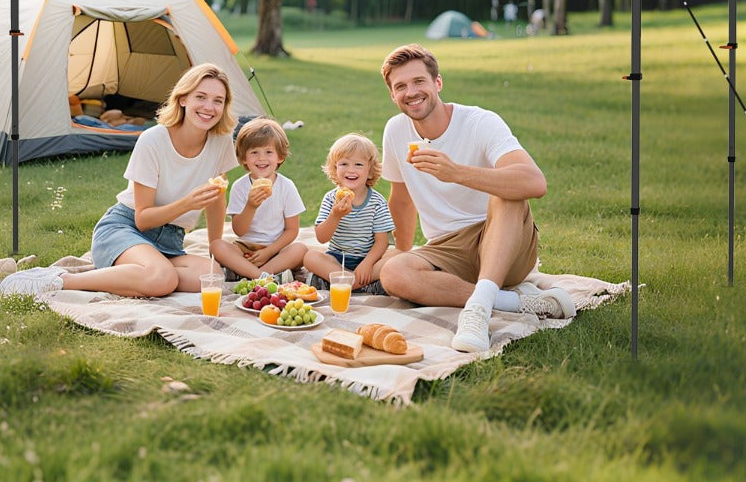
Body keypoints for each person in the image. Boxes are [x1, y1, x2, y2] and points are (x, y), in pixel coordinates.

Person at [376, 44, 573, 352]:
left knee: (507, 193)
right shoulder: (396, 131)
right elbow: (400, 199)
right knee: (393, 273)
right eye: (400, 86)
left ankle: (478, 312)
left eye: (419, 82)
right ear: (392, 95)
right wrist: (399, 251)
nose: (411, 92)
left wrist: (456, 173)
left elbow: (535, 182)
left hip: (501, 239)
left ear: (437, 83)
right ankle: (513, 301)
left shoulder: (480, 122)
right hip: (447, 250)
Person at [0, 63, 237, 299]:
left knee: (211, 276)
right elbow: (142, 220)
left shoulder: (221, 141)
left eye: (218, 100)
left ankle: (142, 273)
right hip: (124, 229)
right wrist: (187, 204)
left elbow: (216, 199)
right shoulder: (153, 140)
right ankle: (59, 279)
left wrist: (217, 249)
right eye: (201, 97)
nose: (209, 107)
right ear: (183, 99)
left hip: (170, 242)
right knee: (163, 278)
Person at [211, 117, 308, 281]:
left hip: (276, 249)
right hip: (245, 248)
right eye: (254, 152)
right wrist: (251, 206)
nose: (261, 158)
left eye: (268, 152)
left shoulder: (286, 186)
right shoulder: (240, 186)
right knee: (216, 246)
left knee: (300, 249)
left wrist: (269, 251)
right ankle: (263, 276)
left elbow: (292, 230)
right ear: (243, 158)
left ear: (280, 157)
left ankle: (248, 273)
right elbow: (239, 231)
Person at [303, 133, 393, 290]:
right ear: (335, 168)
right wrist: (335, 216)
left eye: (358, 165)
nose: (351, 170)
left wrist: (367, 264)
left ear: (370, 171)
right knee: (310, 257)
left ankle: (342, 282)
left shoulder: (377, 202)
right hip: (337, 259)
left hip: (367, 259)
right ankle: (359, 284)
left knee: (397, 256)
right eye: (344, 164)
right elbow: (321, 238)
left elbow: (382, 242)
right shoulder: (331, 198)